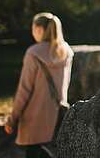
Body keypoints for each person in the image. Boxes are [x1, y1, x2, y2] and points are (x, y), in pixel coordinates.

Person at [4, 12, 74, 158]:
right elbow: (65, 83)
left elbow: (24, 90)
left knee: (34, 152)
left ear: (39, 30)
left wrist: (13, 118)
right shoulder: (66, 51)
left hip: (33, 118)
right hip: (57, 114)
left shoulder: (33, 53)